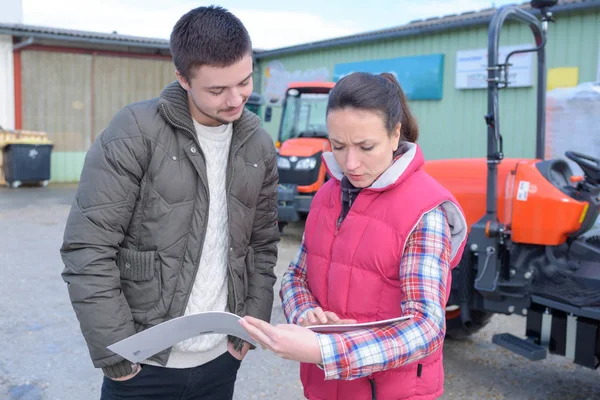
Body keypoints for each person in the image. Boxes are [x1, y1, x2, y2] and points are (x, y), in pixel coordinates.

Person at [60, 6, 279, 400]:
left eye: (244, 81)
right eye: (216, 90)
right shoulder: (134, 132)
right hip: (143, 366)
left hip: (221, 361)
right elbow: (88, 248)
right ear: (182, 78)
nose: (235, 100)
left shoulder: (258, 145)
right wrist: (118, 353)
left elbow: (262, 246)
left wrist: (250, 327)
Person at [239, 72, 468, 400]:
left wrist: (324, 350)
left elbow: (426, 328)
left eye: (366, 147)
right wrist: (306, 313)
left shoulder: (425, 212)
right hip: (325, 389)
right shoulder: (326, 196)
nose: (351, 163)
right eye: (338, 146)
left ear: (395, 135)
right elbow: (296, 277)